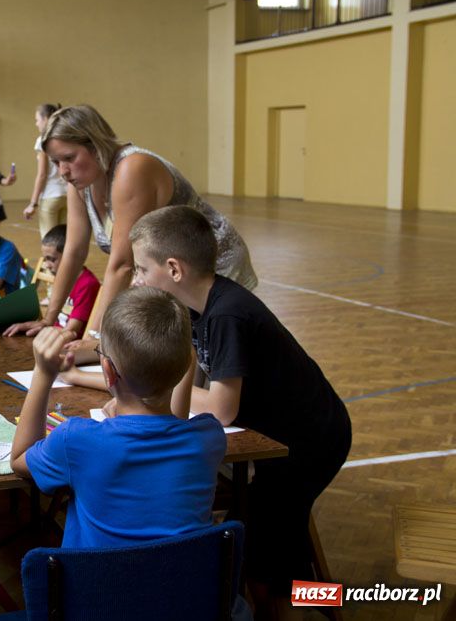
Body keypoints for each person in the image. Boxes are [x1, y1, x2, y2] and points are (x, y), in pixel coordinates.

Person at [128, 205, 352, 619]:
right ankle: (314, 595)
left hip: (310, 442)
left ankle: (325, 600)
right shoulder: (196, 307)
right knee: (256, 542)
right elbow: (185, 382)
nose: (136, 280)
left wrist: (156, 388)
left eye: (142, 269)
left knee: (260, 552)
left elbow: (221, 409)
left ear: (174, 268)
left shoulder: (227, 312)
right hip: (280, 441)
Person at [4, 104, 256, 341]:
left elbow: (123, 264)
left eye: (68, 158)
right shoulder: (81, 183)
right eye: (56, 162)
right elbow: (73, 251)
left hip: (213, 266)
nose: (62, 171)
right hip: (169, 271)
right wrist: (49, 319)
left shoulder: (131, 168)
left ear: (95, 144)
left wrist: (94, 338)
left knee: (205, 360)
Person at [10, 287, 226, 548]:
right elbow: (175, 426)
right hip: (186, 587)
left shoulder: (76, 439)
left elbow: (20, 458)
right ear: (183, 369)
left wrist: (43, 374)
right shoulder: (209, 437)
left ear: (108, 372)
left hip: (97, 588)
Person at [36, 224, 100, 336]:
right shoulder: (59, 276)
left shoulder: (87, 284)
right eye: (45, 259)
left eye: (51, 259)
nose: (47, 265)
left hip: (69, 342)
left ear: (69, 255)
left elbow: (72, 330)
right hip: (55, 333)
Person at [22, 103, 67, 237]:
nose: (36, 124)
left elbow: (42, 174)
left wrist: (33, 203)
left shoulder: (43, 140)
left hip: (50, 196)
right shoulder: (63, 137)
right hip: (66, 195)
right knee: (63, 239)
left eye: (37, 119)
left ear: (46, 119)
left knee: (49, 240)